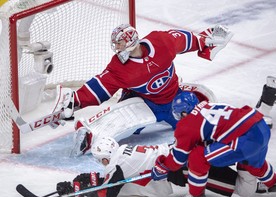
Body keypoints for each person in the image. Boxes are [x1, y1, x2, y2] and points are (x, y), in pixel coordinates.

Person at [52, 23, 233, 154]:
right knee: (123, 125)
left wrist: (206, 40)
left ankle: (227, 127)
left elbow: (188, 40)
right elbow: (99, 87)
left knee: (200, 110)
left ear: (130, 43)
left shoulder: (161, 41)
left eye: (119, 44)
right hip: (145, 103)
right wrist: (75, 101)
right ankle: (90, 134)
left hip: (174, 98)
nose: (116, 47)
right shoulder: (119, 67)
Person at [150, 91, 276, 197]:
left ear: (184, 112)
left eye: (179, 115)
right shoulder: (207, 106)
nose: (179, 118)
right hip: (260, 127)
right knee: (255, 164)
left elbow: (177, 160)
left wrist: (162, 166)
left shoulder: (187, 123)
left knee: (198, 156)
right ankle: (273, 184)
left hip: (246, 138)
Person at [56, 137, 260, 197]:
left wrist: (80, 190)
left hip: (187, 168)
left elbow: (107, 195)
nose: (102, 165)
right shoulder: (125, 150)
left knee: (245, 190)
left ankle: (251, 158)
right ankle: (249, 157)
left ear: (105, 158)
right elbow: (114, 178)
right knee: (226, 158)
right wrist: (93, 179)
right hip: (182, 151)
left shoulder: (116, 165)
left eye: (101, 162)